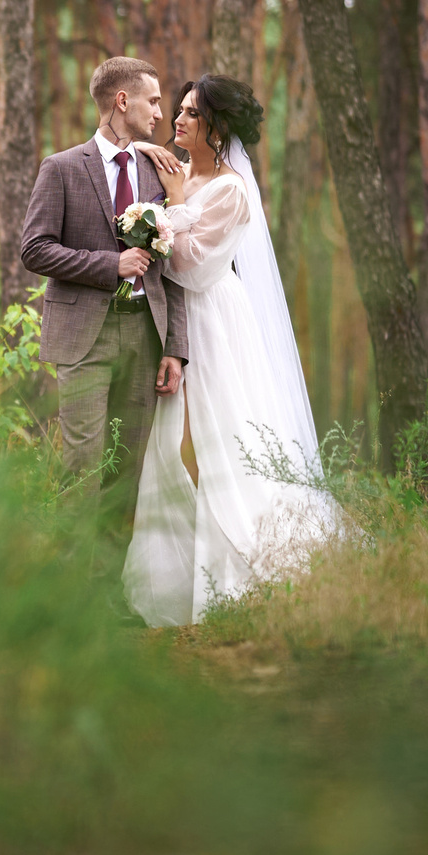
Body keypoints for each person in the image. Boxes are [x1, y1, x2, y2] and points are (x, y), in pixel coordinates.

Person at [123, 74, 348, 627]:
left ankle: (250, 566)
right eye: (177, 110)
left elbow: (194, 269)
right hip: (170, 327)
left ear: (219, 127)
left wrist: (172, 204)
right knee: (169, 446)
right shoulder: (171, 171)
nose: (177, 120)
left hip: (212, 323)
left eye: (191, 114)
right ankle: (177, 577)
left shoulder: (231, 191)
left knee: (218, 445)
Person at [17, 56, 188, 540]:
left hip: (143, 334)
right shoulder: (63, 168)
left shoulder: (158, 172)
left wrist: (176, 347)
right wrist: (107, 265)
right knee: (83, 463)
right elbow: (34, 248)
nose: (160, 113)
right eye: (152, 101)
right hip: (83, 338)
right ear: (122, 100)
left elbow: (174, 268)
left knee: (125, 469)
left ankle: (108, 596)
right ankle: (75, 601)